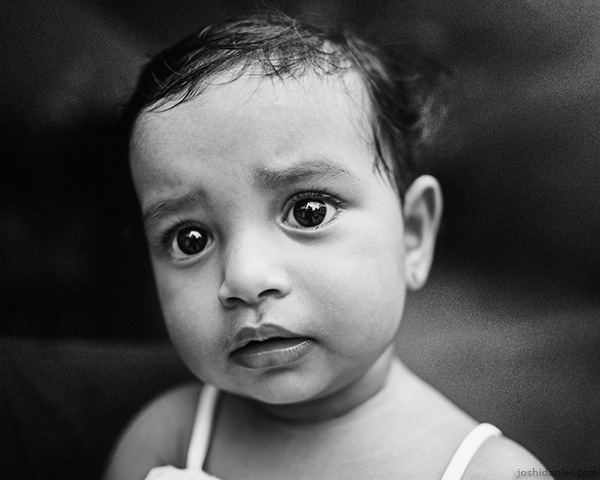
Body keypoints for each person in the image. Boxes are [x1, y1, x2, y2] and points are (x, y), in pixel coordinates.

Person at [104, 11, 549, 480]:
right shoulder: (167, 441)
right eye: (190, 238)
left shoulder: (491, 472)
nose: (245, 278)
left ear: (413, 235)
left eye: (308, 212)